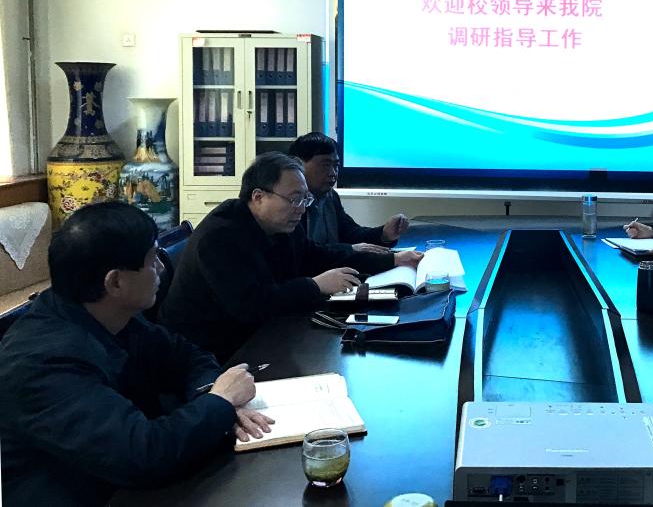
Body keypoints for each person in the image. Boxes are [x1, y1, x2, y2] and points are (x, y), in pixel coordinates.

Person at [0, 202, 272, 507]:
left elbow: (187, 356)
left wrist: (214, 396)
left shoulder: (108, 313)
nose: (161, 268)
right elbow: (142, 454)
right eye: (153, 259)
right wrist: (219, 402)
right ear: (115, 281)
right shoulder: (43, 362)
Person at [159, 151, 396, 361]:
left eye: (305, 199)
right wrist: (315, 285)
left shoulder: (281, 224)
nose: (301, 208)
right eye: (294, 199)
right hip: (207, 352)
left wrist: (393, 260)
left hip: (259, 332)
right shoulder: (220, 236)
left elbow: (315, 255)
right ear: (258, 197)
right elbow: (252, 305)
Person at [288, 132, 421, 269]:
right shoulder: (291, 204)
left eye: (336, 166)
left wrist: (384, 234)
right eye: (325, 165)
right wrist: (350, 249)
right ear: (298, 165)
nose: (333, 173)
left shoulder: (330, 196)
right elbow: (308, 254)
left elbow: (350, 233)